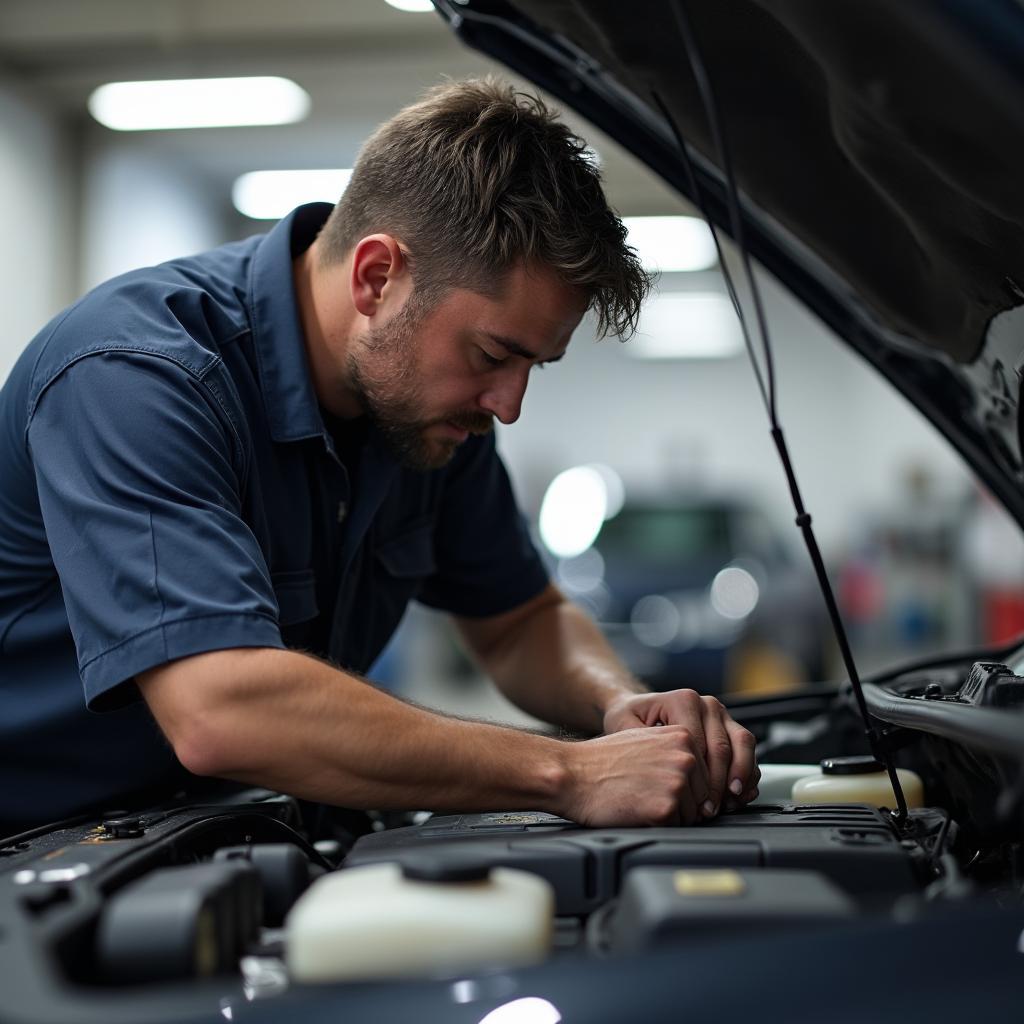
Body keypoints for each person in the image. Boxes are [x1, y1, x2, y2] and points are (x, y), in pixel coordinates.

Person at [0, 78, 759, 836]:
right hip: (31, 852)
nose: (509, 404)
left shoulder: (428, 415)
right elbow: (220, 709)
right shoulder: (135, 378)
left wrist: (615, 705)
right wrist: (569, 773)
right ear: (376, 277)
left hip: (211, 831)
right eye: (494, 353)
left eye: (534, 366)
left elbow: (519, 619)